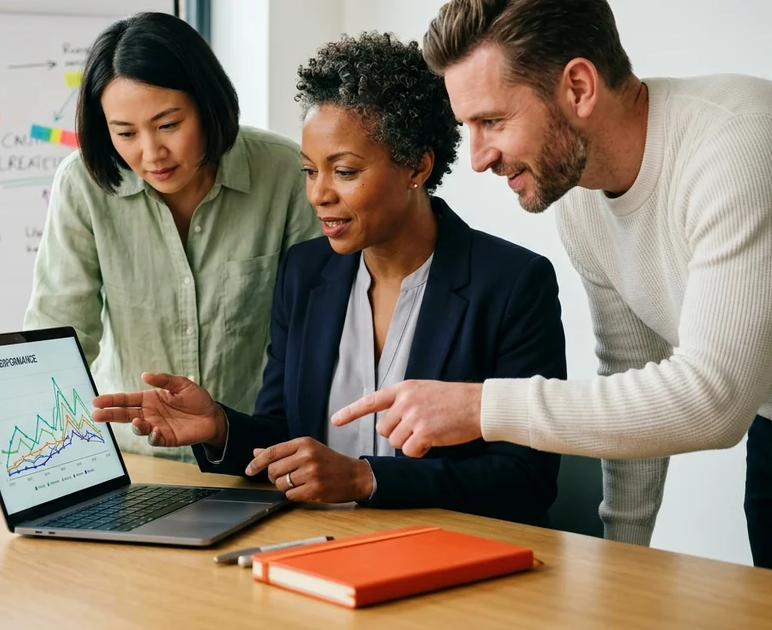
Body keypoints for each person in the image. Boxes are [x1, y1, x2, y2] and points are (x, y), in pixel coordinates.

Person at [331, 0, 772, 574]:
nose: (476, 158)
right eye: (466, 127)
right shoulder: (581, 203)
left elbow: (711, 399)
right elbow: (632, 375)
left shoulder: (739, 149)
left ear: (578, 87)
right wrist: (621, 558)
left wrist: (481, 408)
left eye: (492, 121)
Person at [92, 32, 566, 524]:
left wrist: (367, 478)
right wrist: (218, 427)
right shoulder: (305, 271)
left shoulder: (513, 284)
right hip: (317, 546)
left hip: (449, 558)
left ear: (417, 167)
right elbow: (282, 435)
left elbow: (526, 481)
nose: (318, 194)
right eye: (309, 171)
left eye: (343, 171)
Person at [0, 12, 319, 494]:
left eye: (168, 124)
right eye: (125, 133)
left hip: (257, 464)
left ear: (209, 105)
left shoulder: (285, 173)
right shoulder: (84, 184)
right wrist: (8, 449)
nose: (152, 153)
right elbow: (58, 329)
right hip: (133, 466)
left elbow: (313, 339)